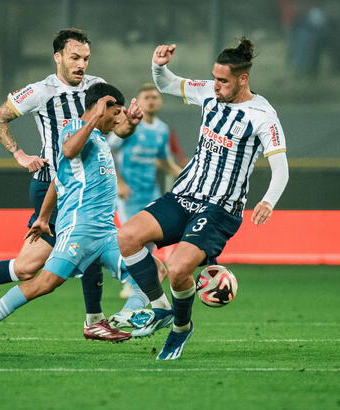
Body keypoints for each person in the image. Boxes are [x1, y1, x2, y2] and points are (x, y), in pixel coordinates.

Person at [0, 28, 145, 340]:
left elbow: (118, 129)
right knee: (45, 261)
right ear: (58, 57)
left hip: (85, 183)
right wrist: (19, 154)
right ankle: (94, 320)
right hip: (51, 185)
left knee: (31, 266)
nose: (80, 64)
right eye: (74, 57)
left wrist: (132, 124)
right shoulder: (40, 91)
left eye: (85, 57)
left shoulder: (98, 87)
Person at [0, 83, 167, 356]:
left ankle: (122, 319)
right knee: (44, 284)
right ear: (98, 109)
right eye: (114, 112)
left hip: (105, 233)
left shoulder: (99, 139)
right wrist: (93, 117)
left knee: (154, 270)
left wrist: (44, 217)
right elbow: (68, 150)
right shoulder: (74, 130)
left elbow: (59, 180)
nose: (118, 118)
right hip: (78, 230)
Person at [117, 38, 290, 360]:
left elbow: (281, 168)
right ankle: (161, 309)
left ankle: (181, 328)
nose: (216, 85)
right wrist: (159, 64)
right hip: (183, 195)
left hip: (219, 208)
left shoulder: (262, 115)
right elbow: (167, 83)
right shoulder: (207, 91)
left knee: (179, 268)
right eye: (214, 77)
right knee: (126, 237)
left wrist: (268, 200)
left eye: (223, 80)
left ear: (243, 79)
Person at [107, 84, 182, 299]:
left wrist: (183, 175)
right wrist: (119, 182)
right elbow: (110, 150)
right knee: (131, 238)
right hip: (128, 192)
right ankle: (130, 281)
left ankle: (139, 280)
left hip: (151, 192)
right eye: (146, 97)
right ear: (138, 102)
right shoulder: (129, 125)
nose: (151, 101)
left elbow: (163, 160)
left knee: (149, 241)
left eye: (154, 97)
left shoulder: (162, 129)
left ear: (160, 101)